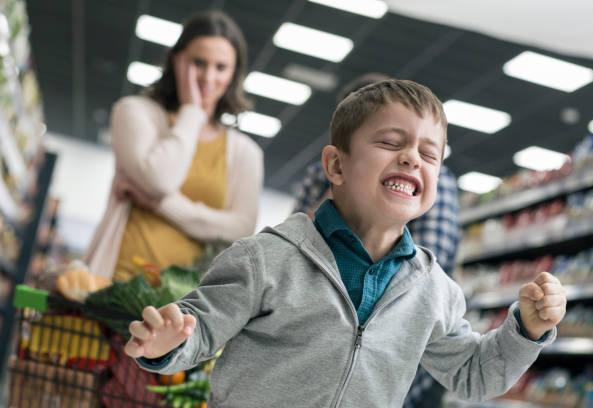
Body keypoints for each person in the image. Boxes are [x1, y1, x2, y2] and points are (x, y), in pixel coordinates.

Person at [124, 79, 566, 408]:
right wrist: (169, 341)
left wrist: (525, 331)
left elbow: (474, 375)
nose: (413, 157)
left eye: (430, 154)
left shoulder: (433, 292)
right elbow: (201, 326)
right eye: (391, 143)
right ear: (336, 165)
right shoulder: (266, 258)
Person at [293, 74, 461, 408]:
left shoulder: (430, 184)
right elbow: (295, 244)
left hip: (410, 369)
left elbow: (420, 276)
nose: (406, 156)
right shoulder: (320, 174)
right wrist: (344, 185)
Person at [84, 11, 263, 280]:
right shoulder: (135, 113)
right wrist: (192, 111)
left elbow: (241, 228)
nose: (208, 77)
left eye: (221, 67)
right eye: (198, 63)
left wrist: (160, 205)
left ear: (234, 74)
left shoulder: (245, 152)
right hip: (117, 282)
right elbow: (159, 181)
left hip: (189, 304)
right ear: (176, 60)